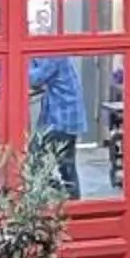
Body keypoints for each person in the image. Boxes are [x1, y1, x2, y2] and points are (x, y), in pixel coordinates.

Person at [28, 54, 86, 199]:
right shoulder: (52, 54)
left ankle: (65, 193)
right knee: (67, 166)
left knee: (34, 157)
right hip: (64, 117)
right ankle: (72, 200)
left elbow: (35, 78)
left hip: (63, 117)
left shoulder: (54, 55)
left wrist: (23, 59)